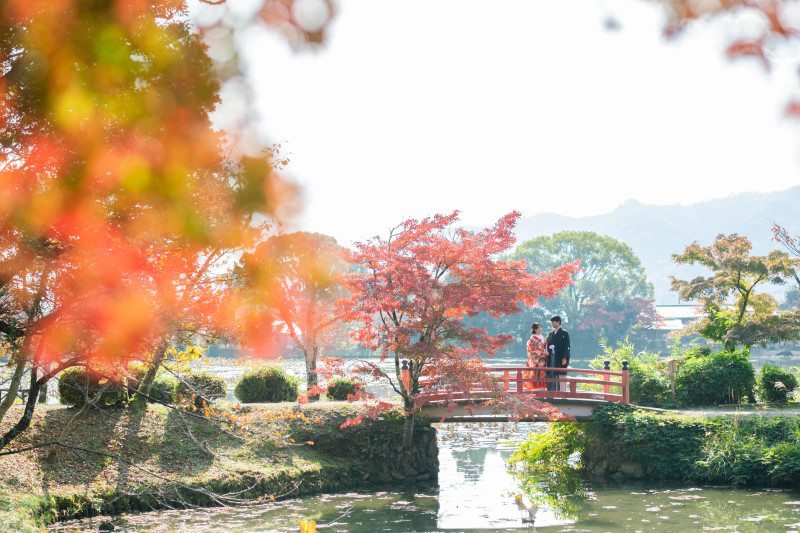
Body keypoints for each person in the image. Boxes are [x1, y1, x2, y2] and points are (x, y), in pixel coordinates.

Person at [545, 315, 570, 392]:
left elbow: (567, 346)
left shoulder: (564, 333)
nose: (552, 324)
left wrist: (565, 357)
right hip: (551, 356)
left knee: (560, 373)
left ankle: (562, 393)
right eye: (551, 322)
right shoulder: (551, 334)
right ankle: (551, 392)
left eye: (553, 322)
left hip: (560, 356)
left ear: (558, 322)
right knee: (551, 373)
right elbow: (547, 344)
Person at [525, 322, 548, 389]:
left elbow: (545, 346)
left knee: (543, 372)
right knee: (537, 372)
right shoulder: (532, 338)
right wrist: (539, 353)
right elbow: (532, 348)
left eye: (541, 328)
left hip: (543, 358)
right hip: (537, 359)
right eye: (539, 328)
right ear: (535, 329)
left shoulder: (542, 337)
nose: (541, 329)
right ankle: (537, 389)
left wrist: (546, 353)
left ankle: (542, 388)